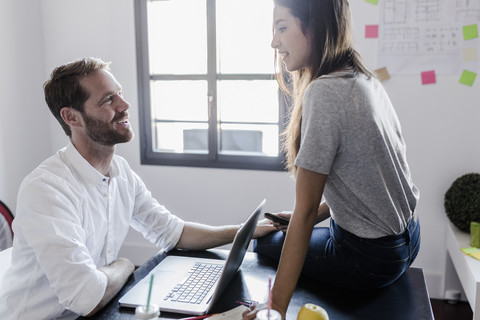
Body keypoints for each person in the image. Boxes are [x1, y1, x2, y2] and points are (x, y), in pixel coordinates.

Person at [0, 57, 276, 320]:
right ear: (72, 117)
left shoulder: (121, 172)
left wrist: (245, 230)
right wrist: (124, 264)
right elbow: (86, 298)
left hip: (98, 309)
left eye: (119, 93)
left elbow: (173, 233)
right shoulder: (47, 190)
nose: (125, 104)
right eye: (109, 99)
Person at [243, 0, 420, 319]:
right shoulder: (363, 76)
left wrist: (275, 309)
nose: (274, 42)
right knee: (281, 231)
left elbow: (307, 210)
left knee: (264, 244)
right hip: (408, 240)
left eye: (282, 28)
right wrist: (298, 215)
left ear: (316, 27)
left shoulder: (324, 92)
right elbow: (368, 187)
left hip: (370, 260)